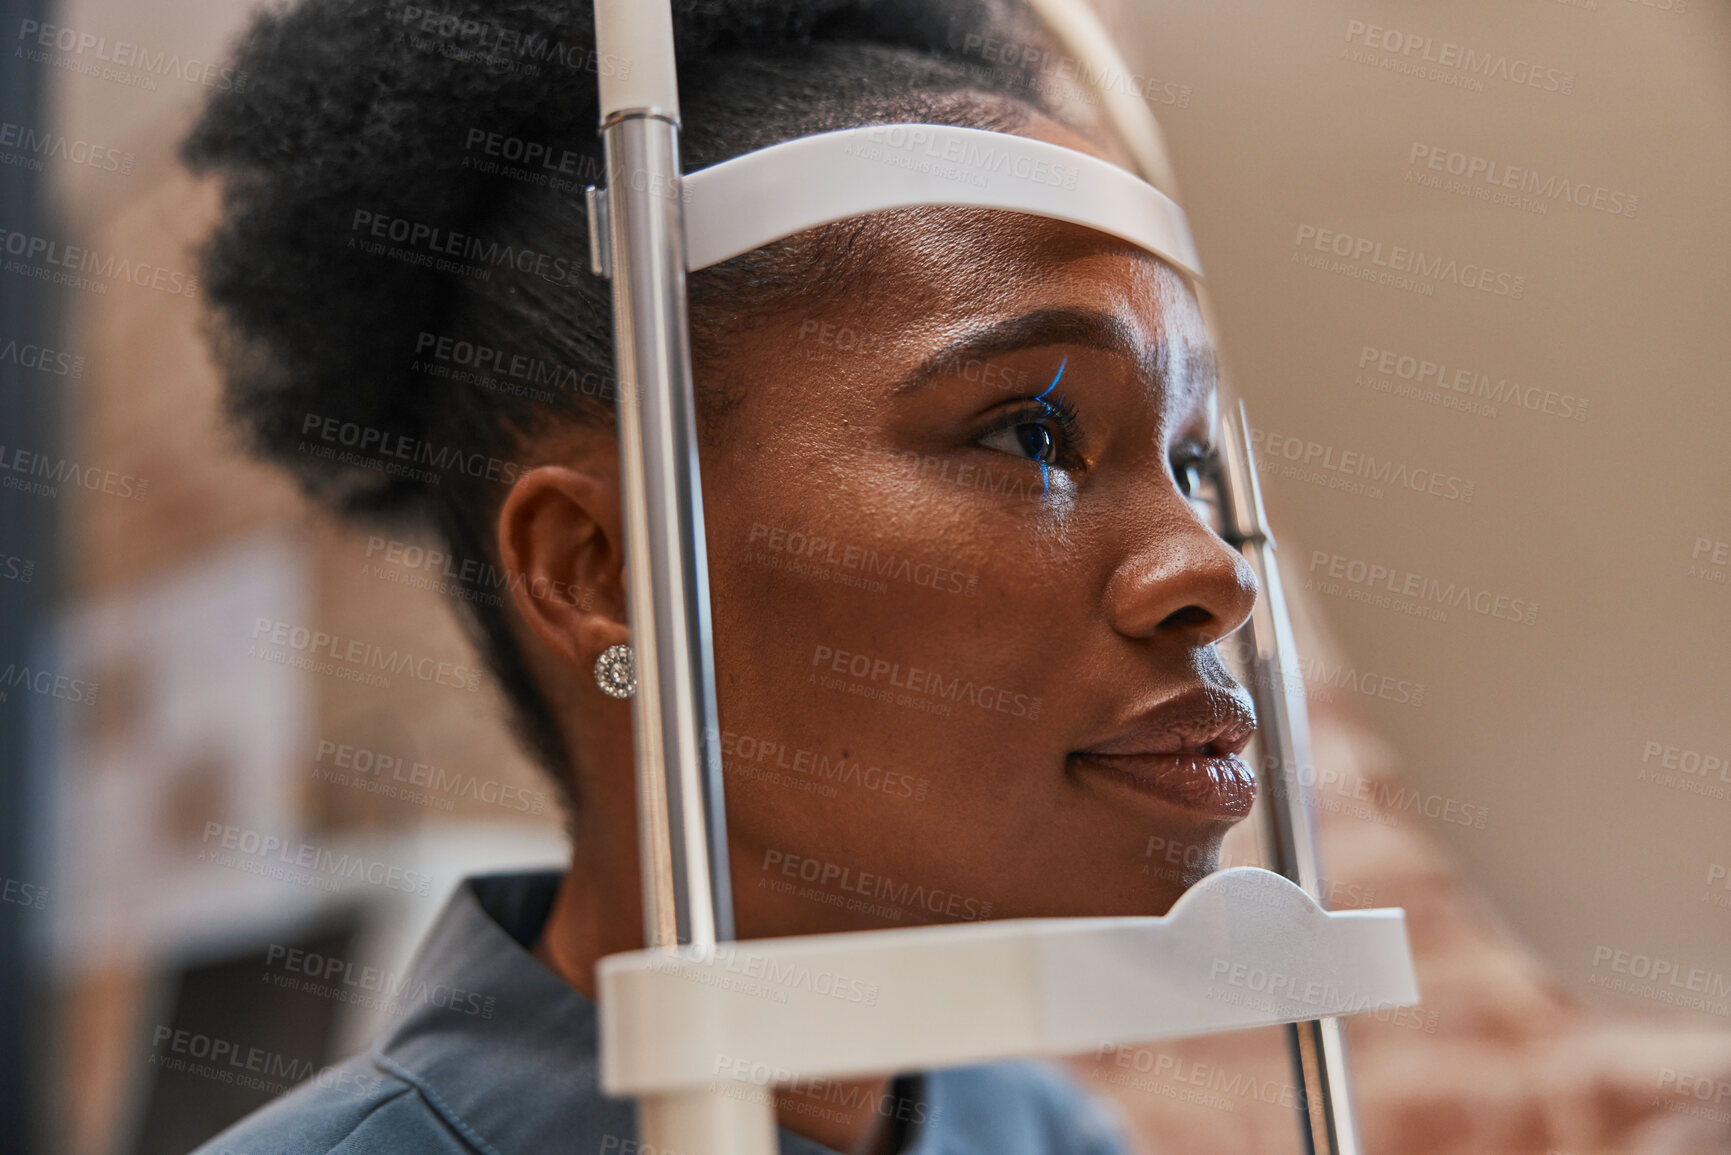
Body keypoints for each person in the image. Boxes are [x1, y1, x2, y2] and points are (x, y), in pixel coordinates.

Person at [181, 0, 1260, 1151]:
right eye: (1028, 435)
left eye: (1192, 464)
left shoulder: (1049, 1134)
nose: (1212, 571)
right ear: (600, 569)